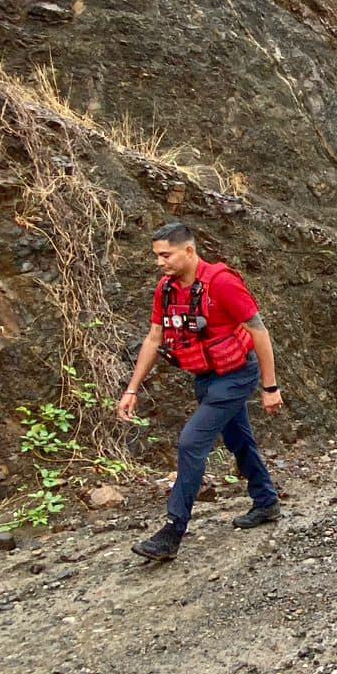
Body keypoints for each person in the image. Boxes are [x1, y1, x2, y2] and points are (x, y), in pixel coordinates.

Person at [120, 223, 285, 562]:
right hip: (206, 378)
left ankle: (172, 530)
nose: (160, 262)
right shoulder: (166, 290)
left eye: (166, 255)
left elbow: (258, 330)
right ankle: (266, 502)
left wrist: (270, 386)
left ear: (189, 252)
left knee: (191, 442)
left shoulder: (222, 283)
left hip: (237, 375)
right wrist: (132, 389)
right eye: (157, 256)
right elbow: (154, 339)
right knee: (239, 439)